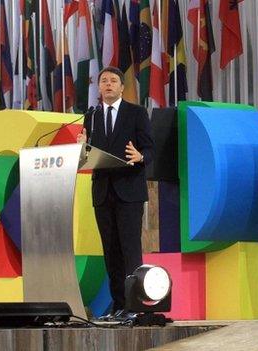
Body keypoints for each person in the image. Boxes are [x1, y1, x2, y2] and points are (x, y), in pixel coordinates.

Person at [77, 66, 154, 320]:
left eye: (113, 81)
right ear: (98, 88)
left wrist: (141, 156)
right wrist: (81, 150)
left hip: (129, 191)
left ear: (122, 87)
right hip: (102, 192)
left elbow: (150, 149)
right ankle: (119, 305)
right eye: (103, 81)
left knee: (130, 250)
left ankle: (135, 305)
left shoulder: (136, 113)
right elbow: (87, 156)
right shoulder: (92, 117)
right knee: (110, 252)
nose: (108, 84)